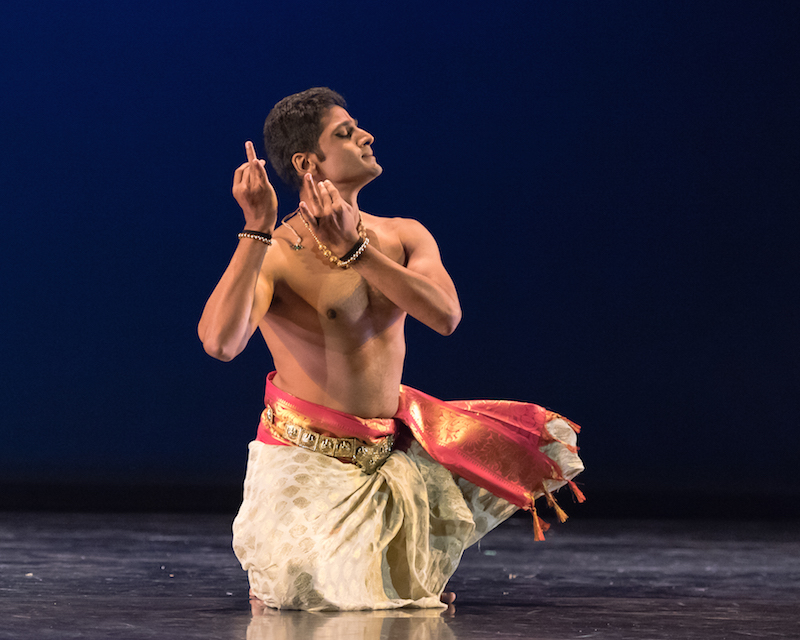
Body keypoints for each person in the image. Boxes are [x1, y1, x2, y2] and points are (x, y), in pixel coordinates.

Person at [198, 87, 584, 612]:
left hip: (391, 449)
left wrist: (355, 251)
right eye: (346, 132)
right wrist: (256, 229)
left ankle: (388, 557)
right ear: (308, 162)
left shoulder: (402, 235)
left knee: (548, 442)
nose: (366, 136)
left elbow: (445, 317)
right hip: (310, 460)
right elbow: (221, 343)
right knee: (317, 591)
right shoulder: (278, 255)